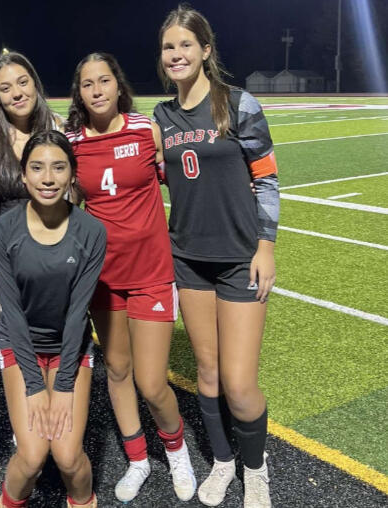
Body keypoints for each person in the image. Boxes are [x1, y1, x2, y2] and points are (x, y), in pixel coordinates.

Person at [153, 5, 280, 508]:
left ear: (205, 49)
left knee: (240, 384)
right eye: (168, 47)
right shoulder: (160, 117)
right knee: (207, 374)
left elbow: (266, 178)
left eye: (186, 44)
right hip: (188, 259)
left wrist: (266, 246)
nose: (176, 54)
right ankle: (224, 461)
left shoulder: (238, 103)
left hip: (239, 258)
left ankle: (255, 468)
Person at [65, 52, 196, 503]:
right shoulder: (72, 143)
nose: (97, 90)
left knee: (152, 382)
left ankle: (176, 451)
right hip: (104, 279)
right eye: (88, 83)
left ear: (118, 85)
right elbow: (67, 206)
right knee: (118, 370)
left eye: (104, 80)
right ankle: (138, 459)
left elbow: (184, 184)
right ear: (79, 93)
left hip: (151, 273)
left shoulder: (145, 130)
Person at [0, 131, 106, 508]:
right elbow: (12, 312)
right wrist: (36, 386)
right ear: (23, 175)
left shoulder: (92, 231)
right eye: (37, 168)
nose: (48, 178)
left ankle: (84, 501)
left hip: (69, 348)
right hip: (19, 344)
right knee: (32, 457)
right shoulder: (2, 230)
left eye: (59, 167)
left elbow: (77, 313)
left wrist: (64, 385)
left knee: (68, 458)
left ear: (72, 174)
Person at [0, 51, 64, 323]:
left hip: (54, 254)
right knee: (12, 339)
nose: (17, 93)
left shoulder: (58, 127)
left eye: (23, 82)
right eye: (5, 88)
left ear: (35, 83)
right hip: (7, 260)